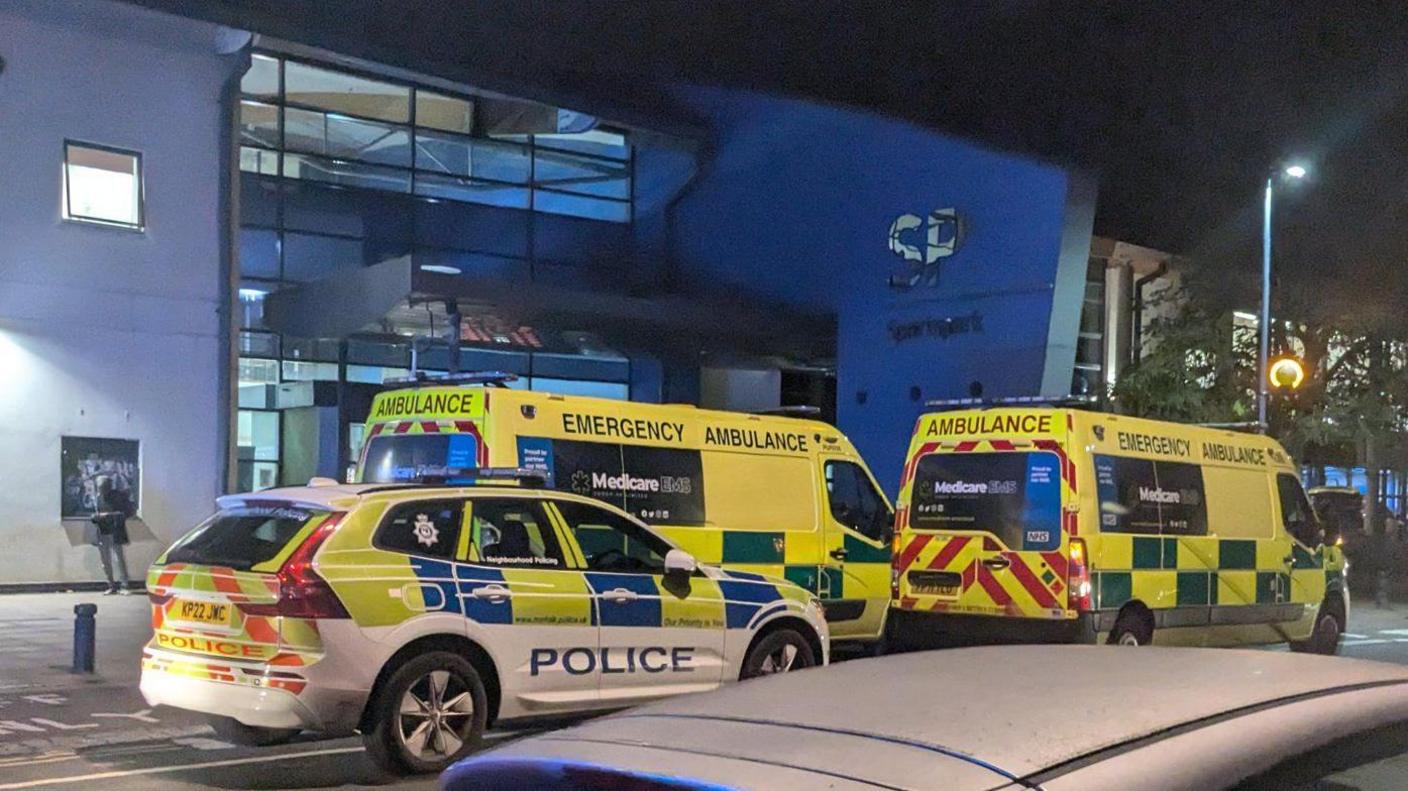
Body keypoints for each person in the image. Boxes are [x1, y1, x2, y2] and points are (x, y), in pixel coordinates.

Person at [90, 477, 134, 595]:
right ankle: (111, 585)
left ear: (109, 486)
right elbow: (93, 515)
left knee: (118, 559)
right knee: (105, 561)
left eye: (103, 487)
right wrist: (95, 517)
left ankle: (124, 585)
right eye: (99, 487)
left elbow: (127, 513)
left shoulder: (118, 497)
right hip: (102, 532)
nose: (101, 490)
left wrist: (108, 515)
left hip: (115, 532)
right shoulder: (97, 498)